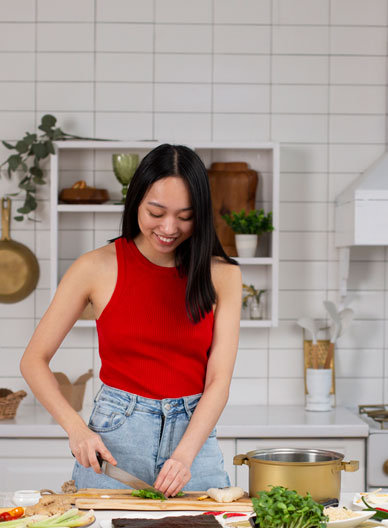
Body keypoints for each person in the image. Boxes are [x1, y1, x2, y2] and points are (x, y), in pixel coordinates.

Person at [20, 144, 241, 497]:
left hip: (193, 443)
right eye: (156, 212)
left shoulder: (223, 275)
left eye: (185, 216)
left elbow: (218, 380)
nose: (169, 228)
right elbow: (33, 361)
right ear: (136, 201)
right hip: (115, 442)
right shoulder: (94, 267)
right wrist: (76, 429)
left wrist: (184, 456)